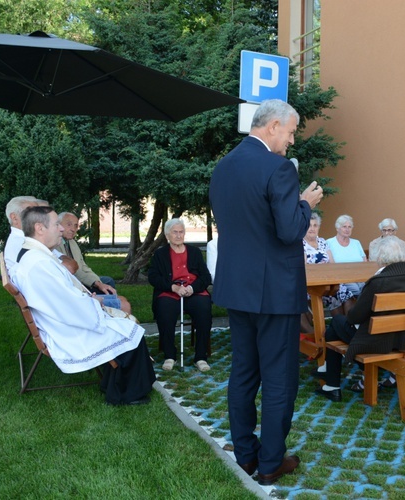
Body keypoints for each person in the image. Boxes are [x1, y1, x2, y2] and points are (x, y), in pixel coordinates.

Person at [209, 99, 323, 485]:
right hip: (274, 291)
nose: (291, 141)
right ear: (273, 126)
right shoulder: (278, 169)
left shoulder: (223, 167)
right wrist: (305, 205)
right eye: (290, 132)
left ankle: (246, 455)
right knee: (278, 379)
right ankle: (271, 461)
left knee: (243, 372)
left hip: (237, 289)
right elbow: (290, 231)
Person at [12, 206, 155, 406]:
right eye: (56, 225)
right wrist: (96, 306)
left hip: (65, 320)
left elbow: (65, 298)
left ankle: (112, 383)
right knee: (130, 332)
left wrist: (92, 301)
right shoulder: (39, 264)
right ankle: (124, 394)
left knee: (126, 327)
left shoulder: (37, 256)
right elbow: (69, 307)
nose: (61, 229)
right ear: (39, 228)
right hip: (68, 330)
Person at [314, 236, 405, 399]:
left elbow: (355, 317)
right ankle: (329, 377)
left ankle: (332, 382)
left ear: (380, 257)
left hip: (377, 340)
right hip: (401, 338)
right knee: (336, 327)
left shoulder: (378, 281)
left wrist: (350, 313)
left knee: (336, 322)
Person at [148, 218, 213, 373]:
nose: (178, 235)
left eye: (181, 232)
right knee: (164, 308)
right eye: (174, 232)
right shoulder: (160, 254)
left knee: (204, 308)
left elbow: (206, 277)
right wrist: (173, 287)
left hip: (193, 291)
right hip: (170, 292)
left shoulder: (195, 252)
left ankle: (201, 357)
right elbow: (153, 277)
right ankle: (170, 355)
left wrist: (192, 288)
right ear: (167, 235)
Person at [302, 213, 354, 319]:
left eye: (315, 225)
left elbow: (332, 263)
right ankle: (337, 327)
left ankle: (349, 326)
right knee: (331, 296)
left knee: (346, 293)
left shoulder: (322, 242)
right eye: (309, 225)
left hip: (328, 281)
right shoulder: (301, 244)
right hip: (311, 285)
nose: (312, 228)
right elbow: (305, 267)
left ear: (319, 227)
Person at [56, 212, 118, 294]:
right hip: (71, 285)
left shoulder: (72, 242)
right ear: (58, 225)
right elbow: (73, 272)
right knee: (108, 283)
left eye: (75, 225)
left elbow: (83, 266)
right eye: (69, 224)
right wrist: (96, 283)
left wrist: (97, 281)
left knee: (107, 281)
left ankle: (108, 304)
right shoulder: (55, 244)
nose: (73, 229)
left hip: (81, 280)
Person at [326, 214, 367, 299]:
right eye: (344, 226)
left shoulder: (356, 243)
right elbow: (329, 265)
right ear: (337, 228)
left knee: (366, 288)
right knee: (357, 290)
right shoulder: (329, 243)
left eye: (350, 227)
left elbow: (365, 263)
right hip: (341, 278)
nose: (347, 229)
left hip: (360, 277)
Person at [3, 196, 40, 275]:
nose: (40, 218)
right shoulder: (23, 243)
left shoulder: (25, 240)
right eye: (32, 213)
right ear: (15, 218)